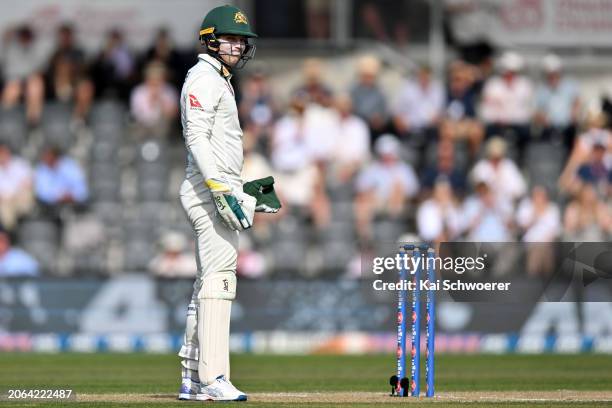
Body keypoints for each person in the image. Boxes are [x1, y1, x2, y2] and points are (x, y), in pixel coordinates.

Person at [176, 5, 279, 402]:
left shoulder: (217, 78)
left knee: (207, 283)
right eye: (232, 38)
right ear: (210, 40)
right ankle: (214, 377)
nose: (239, 45)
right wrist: (220, 189)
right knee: (220, 281)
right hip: (207, 191)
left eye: (242, 40)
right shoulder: (203, 78)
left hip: (216, 188)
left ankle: (191, 376)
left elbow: (218, 147)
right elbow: (197, 140)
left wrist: (243, 191)